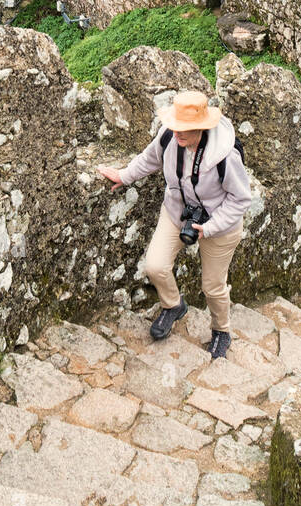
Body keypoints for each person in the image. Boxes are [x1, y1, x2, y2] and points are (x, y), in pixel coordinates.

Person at [97, 91, 252, 360]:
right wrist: (124, 175)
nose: (177, 132)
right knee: (155, 266)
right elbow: (149, 159)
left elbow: (241, 199)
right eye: (176, 125)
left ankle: (221, 331)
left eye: (185, 128)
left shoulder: (225, 156)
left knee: (212, 286)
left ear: (201, 129)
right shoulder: (169, 137)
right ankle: (173, 305)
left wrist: (211, 227)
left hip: (221, 224)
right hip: (178, 212)